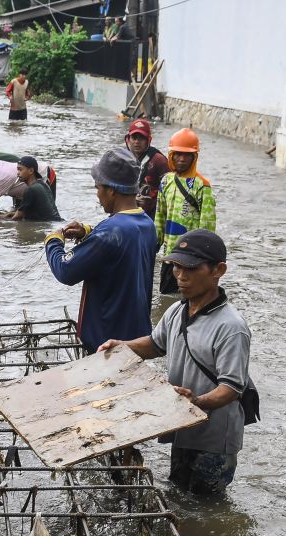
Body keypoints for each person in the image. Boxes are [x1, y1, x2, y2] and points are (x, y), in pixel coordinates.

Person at [96, 230, 253, 494]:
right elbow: (156, 344)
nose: (180, 276)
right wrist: (122, 346)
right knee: (180, 496)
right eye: (177, 267)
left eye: (190, 268)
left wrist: (197, 403)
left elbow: (232, 388)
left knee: (208, 507)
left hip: (213, 438)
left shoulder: (231, 327)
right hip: (182, 425)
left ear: (218, 270)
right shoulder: (177, 310)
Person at [44, 148, 155, 353]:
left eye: (98, 188)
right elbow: (119, 240)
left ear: (111, 190)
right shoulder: (146, 223)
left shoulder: (109, 232)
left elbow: (65, 271)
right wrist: (87, 231)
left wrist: (53, 241)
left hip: (108, 344)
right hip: (138, 339)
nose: (97, 195)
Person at [155, 127, 217, 294]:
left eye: (186, 155)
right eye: (178, 154)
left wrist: (204, 259)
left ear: (194, 157)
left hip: (191, 259)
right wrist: (152, 245)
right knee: (167, 299)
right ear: (171, 156)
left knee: (189, 300)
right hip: (169, 256)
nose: (181, 159)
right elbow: (160, 217)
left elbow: (207, 226)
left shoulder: (202, 185)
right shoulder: (166, 181)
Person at [124, 118, 169, 219]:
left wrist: (153, 201)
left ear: (149, 140)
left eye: (141, 138)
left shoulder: (159, 161)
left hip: (152, 216)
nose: (137, 142)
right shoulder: (124, 159)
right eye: (134, 138)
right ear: (128, 139)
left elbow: (170, 191)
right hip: (130, 213)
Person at [0, 156, 60, 222]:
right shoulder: (43, 184)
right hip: (55, 223)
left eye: (20, 169)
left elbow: (17, 217)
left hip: (47, 224)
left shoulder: (31, 190)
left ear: (31, 171)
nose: (18, 173)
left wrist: (0, 221)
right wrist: (10, 213)